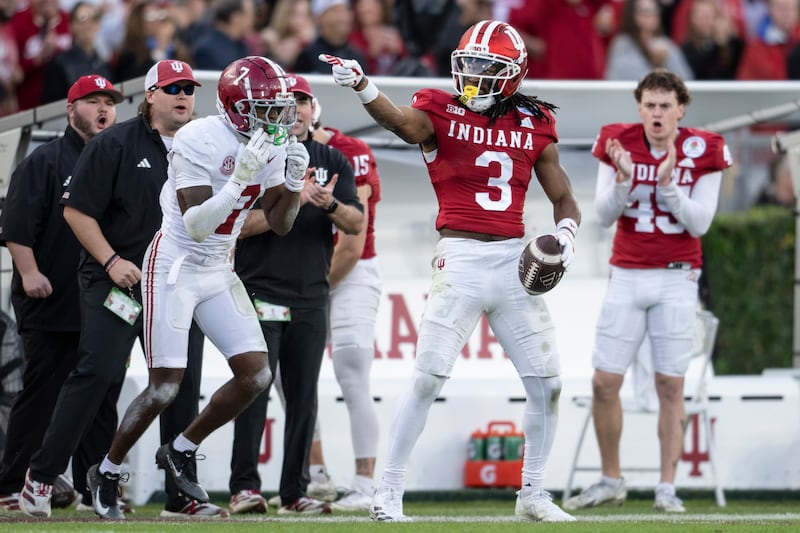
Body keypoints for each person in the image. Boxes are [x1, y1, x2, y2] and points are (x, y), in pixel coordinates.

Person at [319, 19, 581, 523]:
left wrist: (566, 236)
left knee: (548, 383)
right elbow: (399, 122)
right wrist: (363, 85)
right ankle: (388, 492)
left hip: (512, 262)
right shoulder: (437, 109)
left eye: (489, 68)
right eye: (470, 65)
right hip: (459, 258)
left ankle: (533, 492)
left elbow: (565, 198)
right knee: (426, 379)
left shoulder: (536, 123)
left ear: (513, 75)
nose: (474, 77)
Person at [83, 55, 307, 521]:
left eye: (281, 107)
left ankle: (182, 447)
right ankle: (105, 470)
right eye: (267, 107)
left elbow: (282, 225)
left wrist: (290, 183)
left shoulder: (272, 141)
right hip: (175, 264)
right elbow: (198, 223)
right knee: (165, 388)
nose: (278, 117)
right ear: (236, 106)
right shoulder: (198, 138)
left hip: (220, 269)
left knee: (256, 375)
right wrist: (240, 180)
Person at [17, 59, 202, 519]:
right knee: (96, 372)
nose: (183, 96)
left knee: (180, 383)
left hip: (175, 284)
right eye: (173, 88)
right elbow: (77, 212)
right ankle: (40, 478)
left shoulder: (202, 146)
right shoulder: (113, 143)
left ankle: (180, 496)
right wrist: (113, 260)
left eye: (190, 89)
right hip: (116, 279)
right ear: (151, 95)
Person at [562, 69, 732, 514]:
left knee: (670, 386)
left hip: (677, 276)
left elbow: (700, 223)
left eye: (664, 106)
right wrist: (623, 181)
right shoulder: (617, 141)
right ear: (640, 108)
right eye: (650, 105)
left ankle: (666, 486)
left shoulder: (704, 148)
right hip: (628, 272)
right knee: (604, 381)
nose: (657, 114)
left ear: (681, 109)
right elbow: (600, 216)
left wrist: (668, 184)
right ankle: (610, 478)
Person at [229, 73, 363, 516]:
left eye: (304, 100)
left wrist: (325, 202)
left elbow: (355, 223)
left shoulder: (334, 160)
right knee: (253, 389)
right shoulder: (253, 157)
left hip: (310, 292)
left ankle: (294, 491)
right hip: (259, 288)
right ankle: (244, 486)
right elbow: (238, 226)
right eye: (290, 101)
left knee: (304, 397)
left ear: (314, 108)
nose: (299, 108)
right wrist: (291, 202)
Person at [0, 75, 122, 513]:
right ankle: (13, 484)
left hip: (103, 302)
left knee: (102, 392)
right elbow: (15, 225)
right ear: (70, 110)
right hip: (51, 297)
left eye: (109, 102)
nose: (103, 109)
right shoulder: (45, 161)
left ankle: (94, 488)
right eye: (93, 102)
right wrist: (29, 272)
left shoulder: (119, 160)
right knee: (43, 391)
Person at [312, 99, 382, 512]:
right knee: (291, 376)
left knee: (351, 371)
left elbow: (352, 246)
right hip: (304, 273)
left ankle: (365, 483)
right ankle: (316, 475)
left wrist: (314, 289)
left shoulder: (350, 152)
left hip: (351, 273)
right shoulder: (278, 151)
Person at [604, 0, 693, 81]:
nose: (652, 15)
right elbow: (630, 80)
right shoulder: (622, 44)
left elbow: (686, 79)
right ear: (632, 15)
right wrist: (657, 65)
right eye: (645, 11)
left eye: (655, 11)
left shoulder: (665, 44)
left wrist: (664, 62)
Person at [192, 0, 254, 70]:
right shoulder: (206, 49)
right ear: (236, 18)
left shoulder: (241, 46)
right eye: (249, 16)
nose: (251, 22)